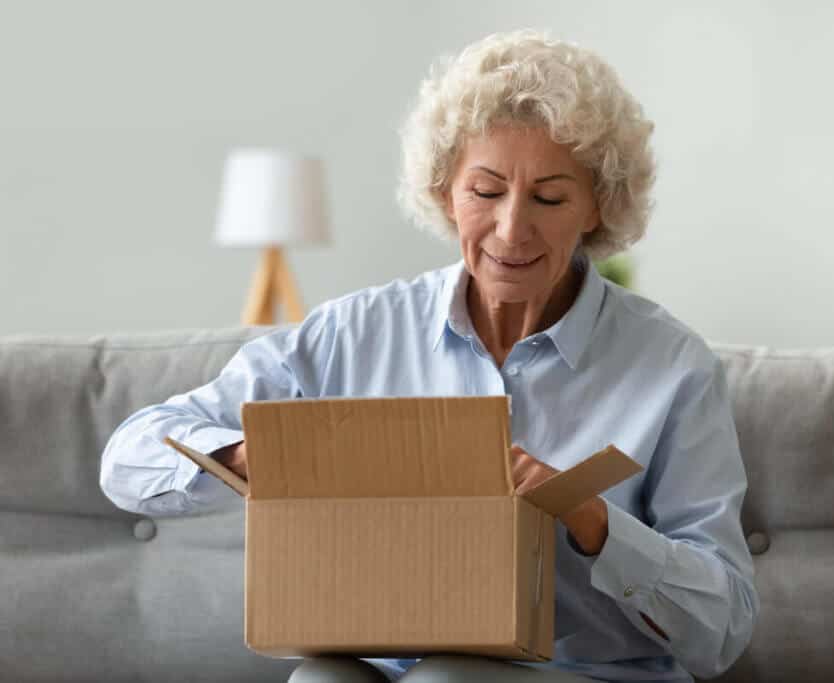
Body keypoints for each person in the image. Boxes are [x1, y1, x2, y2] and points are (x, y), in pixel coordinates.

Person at [100, 28, 759, 683]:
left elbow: (723, 627)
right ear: (446, 192)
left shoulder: (673, 367)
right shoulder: (354, 333)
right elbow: (129, 458)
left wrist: (591, 519)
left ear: (598, 206)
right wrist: (250, 458)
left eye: (550, 197)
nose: (511, 229)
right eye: (485, 190)